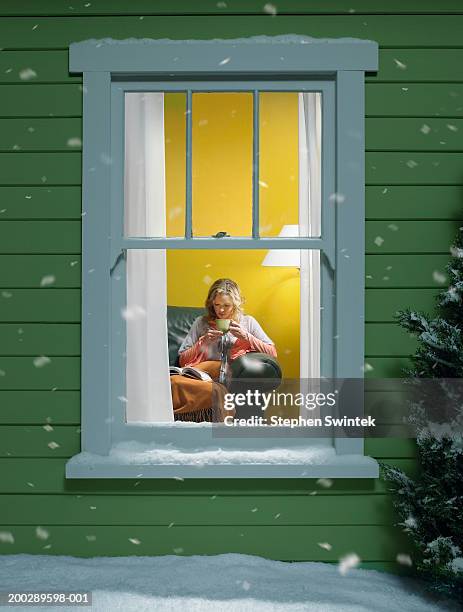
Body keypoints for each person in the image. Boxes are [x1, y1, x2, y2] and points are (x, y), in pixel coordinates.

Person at [171, 278, 277, 422]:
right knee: (173, 382)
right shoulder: (201, 323)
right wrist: (202, 343)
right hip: (200, 376)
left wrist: (247, 337)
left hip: (228, 376)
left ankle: (215, 420)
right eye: (217, 305)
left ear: (235, 304)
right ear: (211, 304)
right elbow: (183, 361)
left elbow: (272, 353)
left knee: (213, 391)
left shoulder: (248, 322)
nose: (221, 310)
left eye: (226, 305)